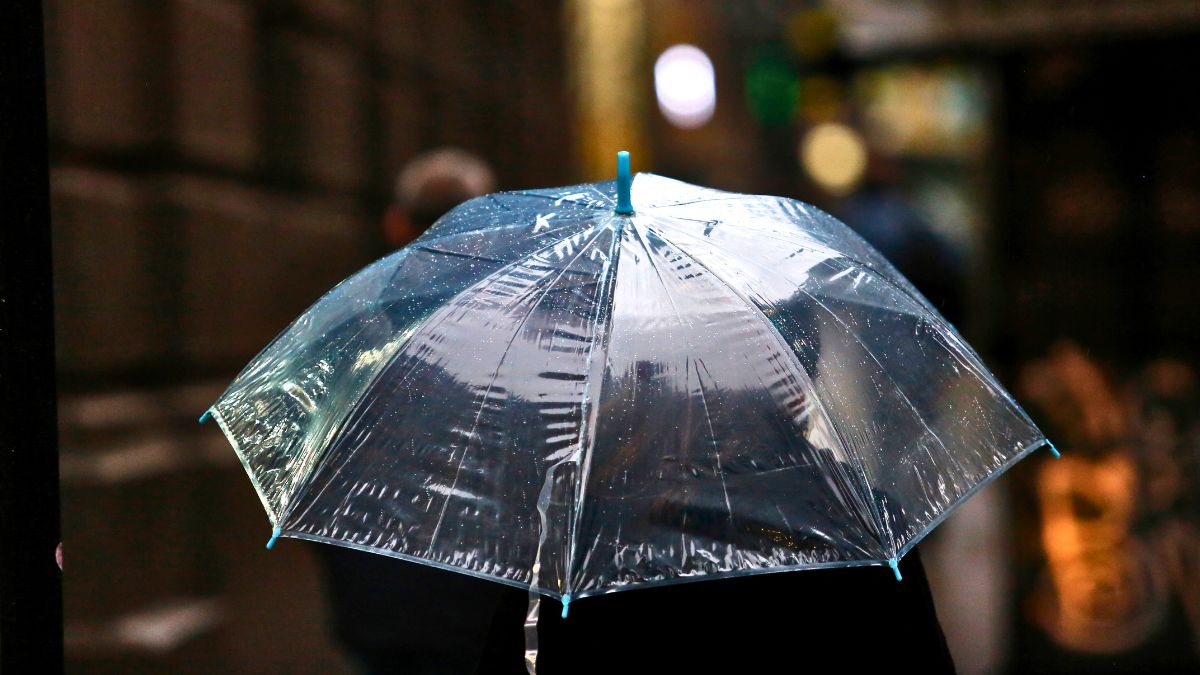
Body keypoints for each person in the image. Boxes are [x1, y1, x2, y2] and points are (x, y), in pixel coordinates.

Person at [312, 148, 503, 675]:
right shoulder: (518, 325)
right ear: (487, 226)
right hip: (482, 598)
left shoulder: (347, 322)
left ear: (396, 223)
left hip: (373, 595)